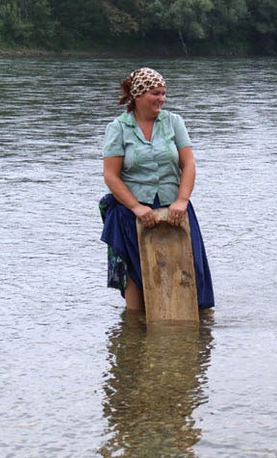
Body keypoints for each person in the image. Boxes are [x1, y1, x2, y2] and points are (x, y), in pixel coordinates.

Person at [99, 67, 214, 312]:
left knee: (191, 270)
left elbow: (189, 163)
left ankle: (197, 333)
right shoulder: (118, 128)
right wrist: (136, 207)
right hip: (132, 214)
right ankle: (135, 334)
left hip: (175, 209)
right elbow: (111, 175)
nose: (161, 99)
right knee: (137, 279)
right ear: (138, 95)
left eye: (163, 93)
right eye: (156, 93)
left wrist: (182, 200)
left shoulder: (174, 122)